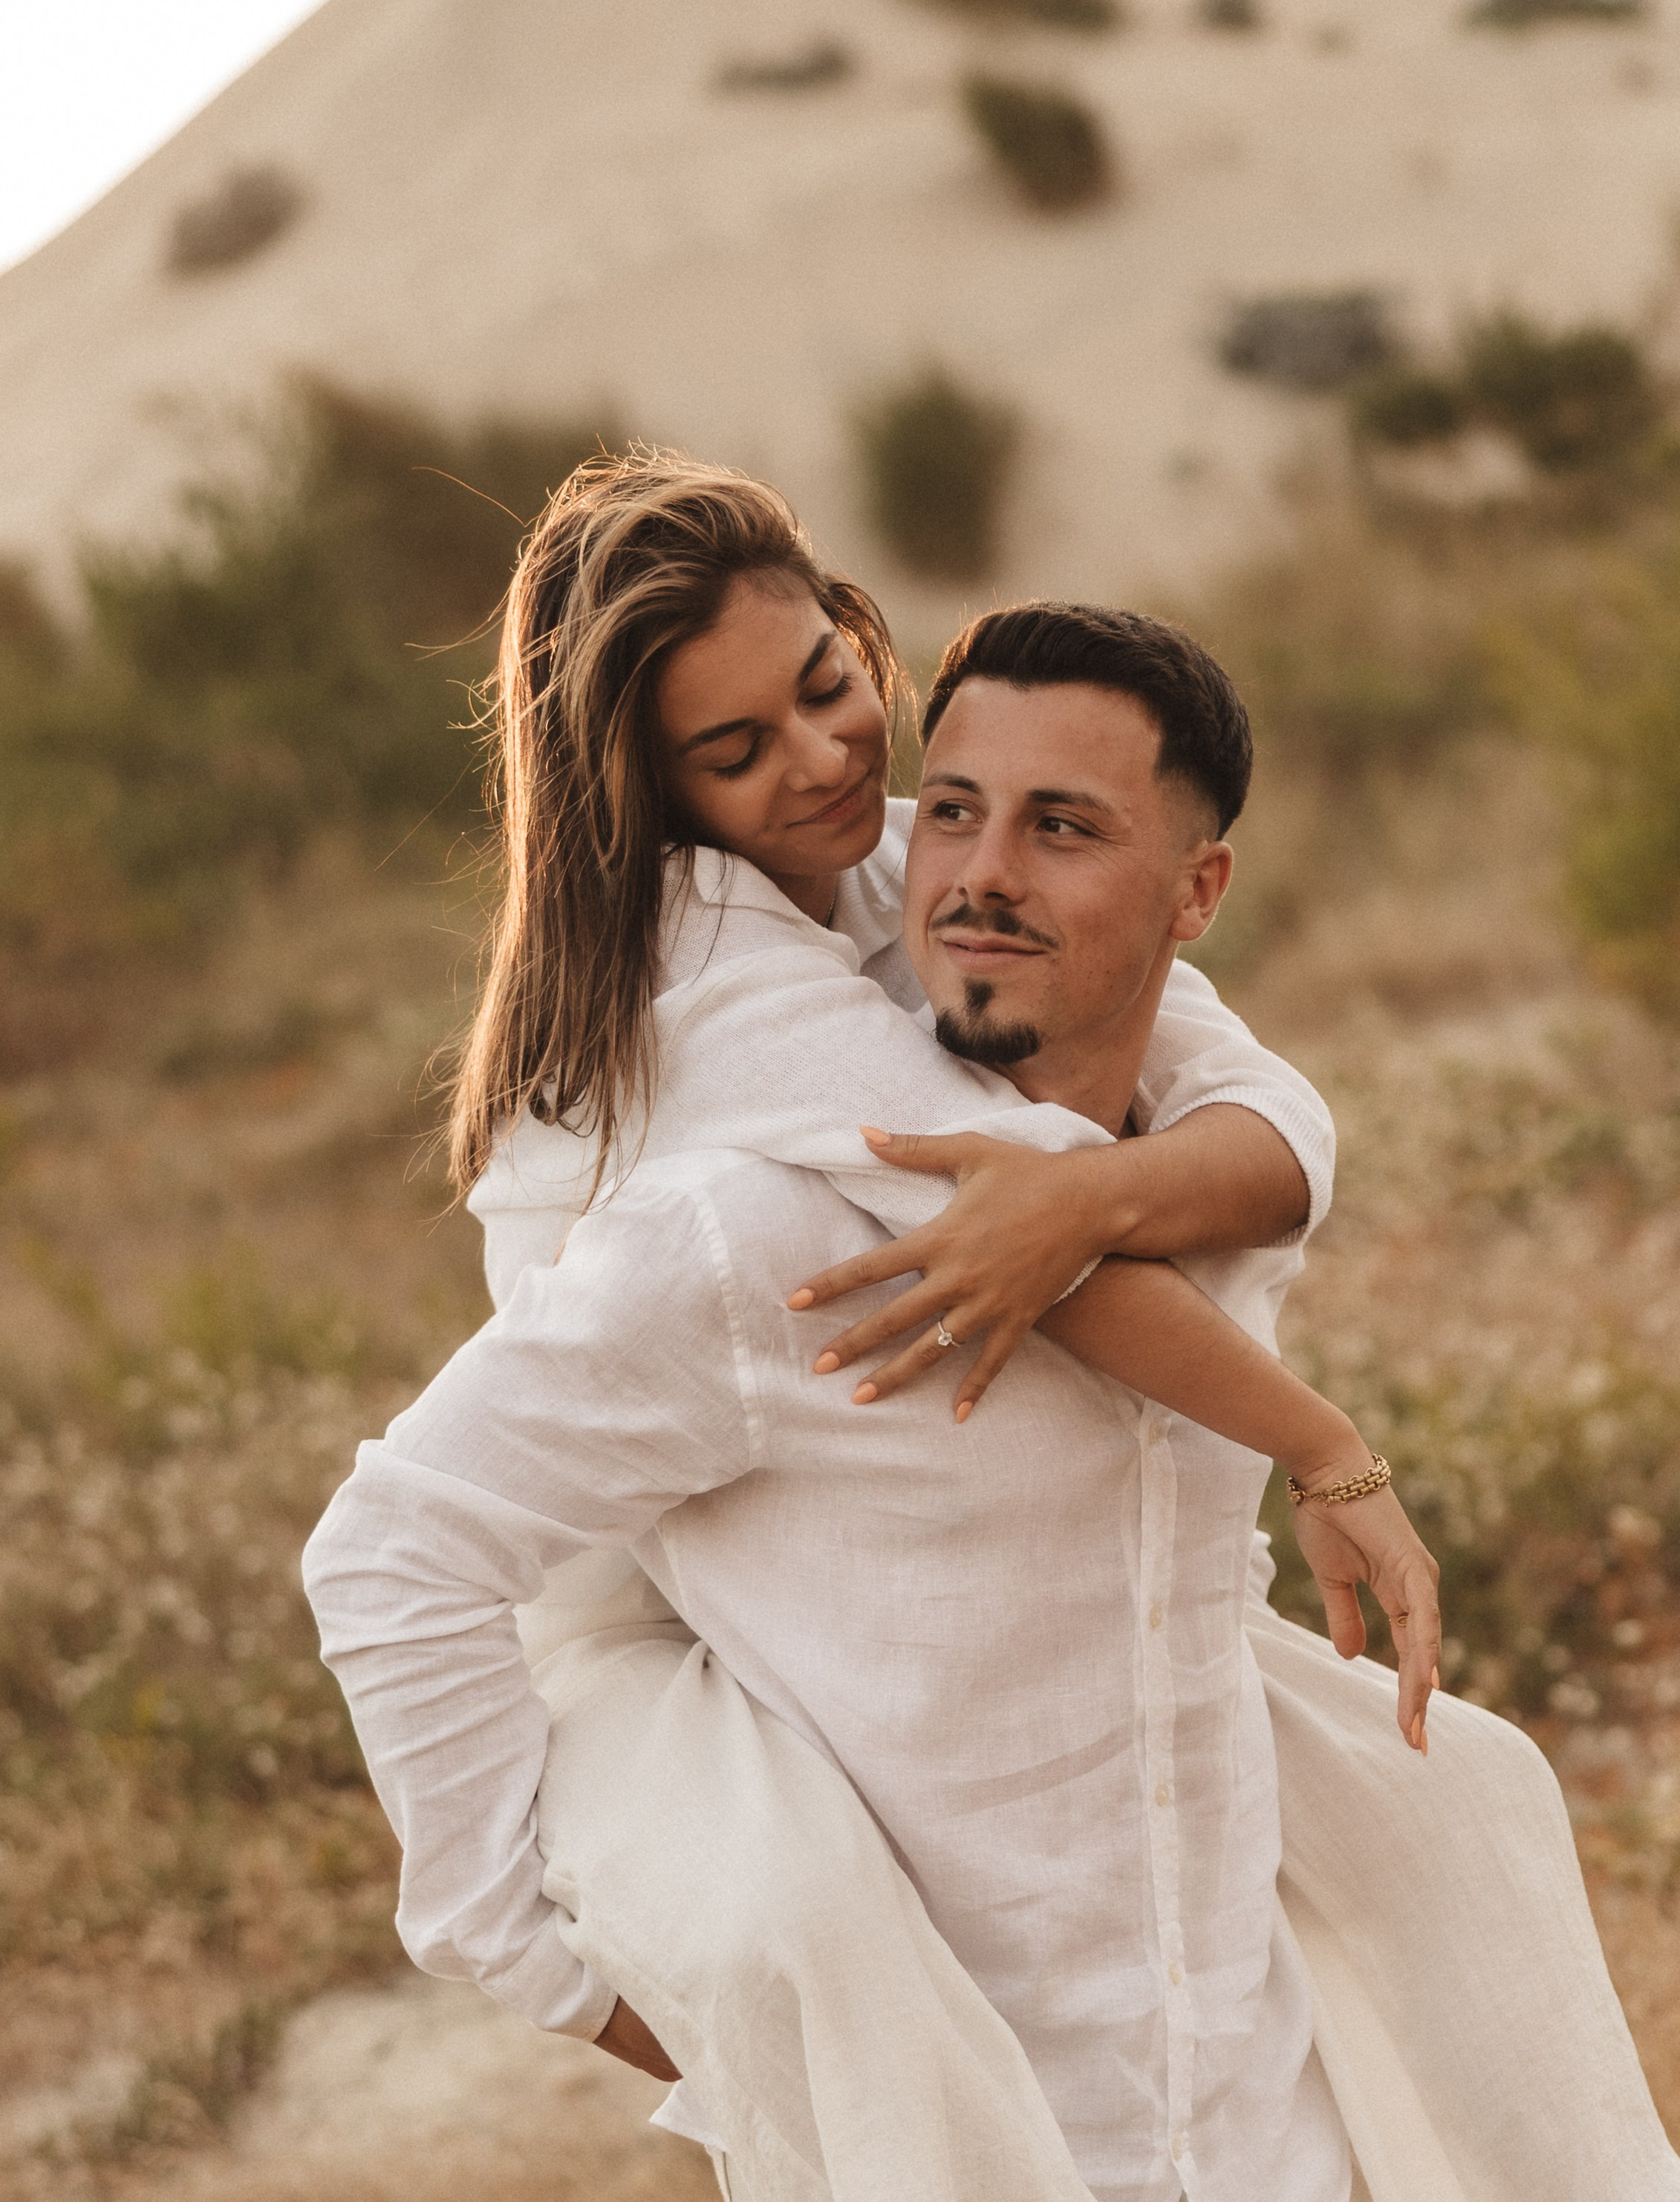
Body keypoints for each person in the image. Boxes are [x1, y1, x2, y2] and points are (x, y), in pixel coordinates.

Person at [306, 462, 1674, 2201]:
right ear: (660, 798)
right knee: (769, 1890)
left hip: (1239, 2088)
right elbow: (396, 1546)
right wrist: (547, 1964)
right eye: (738, 753)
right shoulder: (738, 1099)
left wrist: (1109, 1196)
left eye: (832, 691)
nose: (833, 769)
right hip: (890, 2004)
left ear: (1199, 894)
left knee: (1465, 1825)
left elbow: (1265, 1130)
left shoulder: (891, 870)